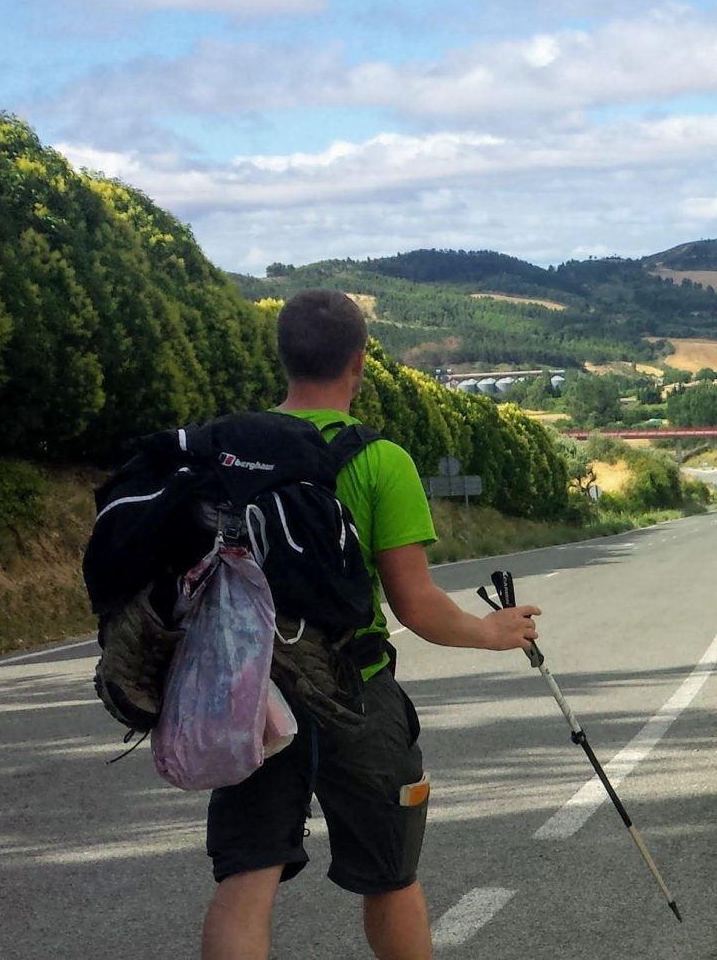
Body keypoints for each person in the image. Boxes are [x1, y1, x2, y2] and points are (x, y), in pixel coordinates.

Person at [202, 289, 542, 960]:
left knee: (246, 881)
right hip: (355, 691)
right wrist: (493, 630)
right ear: (358, 362)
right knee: (390, 877)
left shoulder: (228, 451)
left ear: (284, 357)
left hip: (254, 697)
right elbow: (414, 605)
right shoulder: (381, 460)